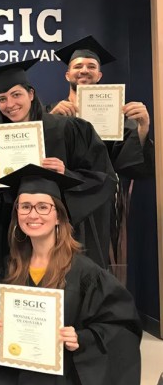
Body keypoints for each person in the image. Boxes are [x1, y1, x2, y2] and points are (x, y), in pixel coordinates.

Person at [0, 164, 142, 385]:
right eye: (25, 207)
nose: (33, 215)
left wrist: (81, 338)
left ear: (59, 216)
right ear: (16, 214)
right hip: (15, 375)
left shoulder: (85, 273)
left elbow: (122, 328)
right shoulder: (7, 269)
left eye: (43, 207)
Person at [0, 60, 117, 269]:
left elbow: (104, 179)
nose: (10, 104)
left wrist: (66, 174)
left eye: (16, 94)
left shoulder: (69, 130)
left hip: (66, 241)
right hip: (21, 245)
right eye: (2, 99)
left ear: (31, 94)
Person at [49, 35, 155, 278]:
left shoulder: (116, 116)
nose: (84, 70)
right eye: (78, 66)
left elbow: (131, 166)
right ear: (67, 75)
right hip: (61, 202)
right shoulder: (52, 112)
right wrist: (51, 121)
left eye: (91, 66)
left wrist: (142, 128)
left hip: (100, 205)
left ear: (99, 76)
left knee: (97, 269)